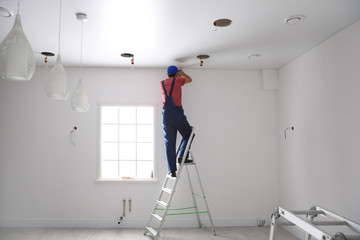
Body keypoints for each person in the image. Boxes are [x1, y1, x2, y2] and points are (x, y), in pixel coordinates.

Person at [161, 65, 194, 178]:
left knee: (169, 144)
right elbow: (190, 80)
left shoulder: (162, 83)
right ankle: (182, 156)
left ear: (167, 74)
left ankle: (172, 171)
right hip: (176, 114)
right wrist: (182, 74)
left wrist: (176, 75)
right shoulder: (178, 80)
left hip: (165, 115)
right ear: (176, 74)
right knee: (189, 134)